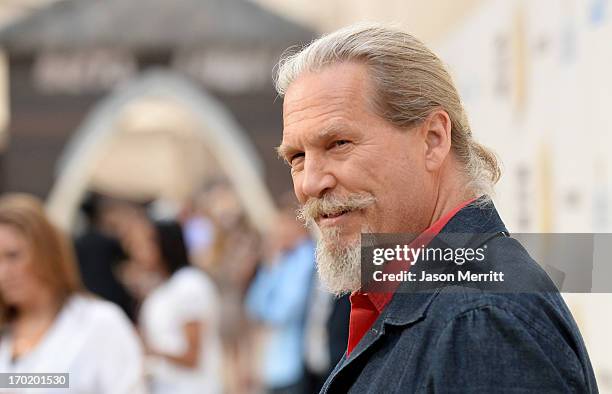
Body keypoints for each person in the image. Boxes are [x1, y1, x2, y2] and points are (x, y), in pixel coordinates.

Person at [274, 23, 598, 393]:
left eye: (338, 143)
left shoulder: (478, 321)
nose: (310, 183)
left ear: (433, 140)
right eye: (297, 157)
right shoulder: (445, 305)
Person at [0, 193, 147, 394]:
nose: (3, 273)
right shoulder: (7, 333)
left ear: (45, 252)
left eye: (13, 256)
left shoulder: (98, 324)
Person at [138, 220, 223, 394]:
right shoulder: (162, 289)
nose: (138, 251)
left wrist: (150, 350)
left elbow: (192, 356)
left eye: (146, 243)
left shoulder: (189, 284)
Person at [245, 196, 315, 394]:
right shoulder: (281, 260)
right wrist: (271, 266)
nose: (277, 233)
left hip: (295, 364)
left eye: (282, 225)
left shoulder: (306, 259)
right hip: (275, 366)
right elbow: (253, 306)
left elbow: (283, 311)